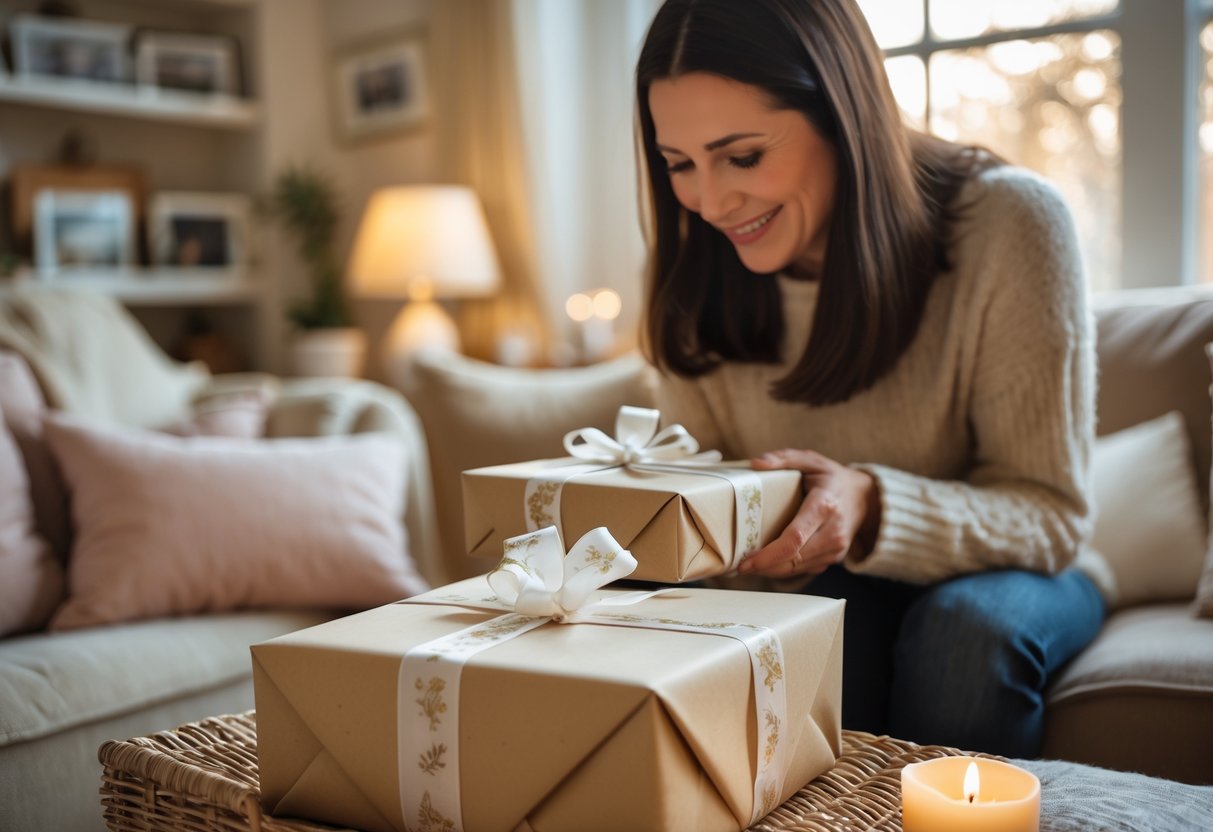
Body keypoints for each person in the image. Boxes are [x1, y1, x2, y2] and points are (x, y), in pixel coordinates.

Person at [635, 0, 1108, 758]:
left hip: (1017, 572)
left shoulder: (1009, 225)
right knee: (816, 628)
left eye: (743, 155)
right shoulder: (698, 271)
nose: (711, 202)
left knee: (960, 637)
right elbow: (702, 512)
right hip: (835, 586)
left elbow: (1049, 516)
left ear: (840, 112)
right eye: (679, 164)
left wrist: (870, 504)